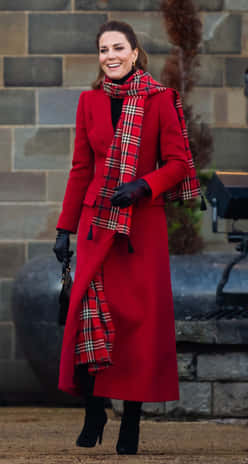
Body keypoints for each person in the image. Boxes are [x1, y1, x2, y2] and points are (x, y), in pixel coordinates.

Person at [53, 20, 202, 455]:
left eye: (119, 47)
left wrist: (144, 186)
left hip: (142, 228)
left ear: (135, 53)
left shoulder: (161, 100)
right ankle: (95, 408)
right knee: (91, 315)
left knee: (138, 325)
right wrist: (64, 227)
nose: (110, 55)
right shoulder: (89, 102)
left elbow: (178, 162)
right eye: (103, 49)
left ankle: (131, 421)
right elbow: (81, 168)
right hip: (97, 225)